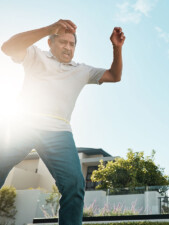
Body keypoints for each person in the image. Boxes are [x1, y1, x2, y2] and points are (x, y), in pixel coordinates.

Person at [0, 19, 125, 224]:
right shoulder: (35, 55)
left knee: (75, 184)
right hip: (23, 125)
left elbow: (114, 75)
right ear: (50, 43)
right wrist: (48, 29)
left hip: (58, 132)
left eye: (72, 44)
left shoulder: (82, 70)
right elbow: (7, 47)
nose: (68, 47)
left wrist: (116, 48)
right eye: (62, 42)